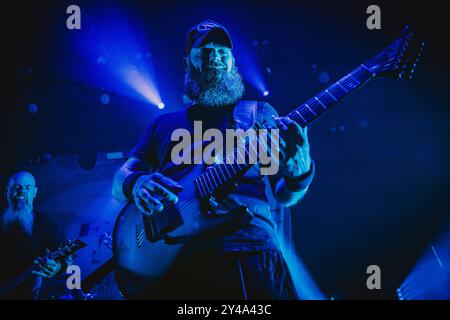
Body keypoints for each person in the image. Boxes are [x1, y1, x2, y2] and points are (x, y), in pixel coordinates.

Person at [112, 20, 315, 299]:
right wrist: (135, 183)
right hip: (179, 261)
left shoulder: (259, 115)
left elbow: (284, 196)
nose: (215, 56)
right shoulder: (162, 125)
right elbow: (119, 180)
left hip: (251, 252)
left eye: (222, 50)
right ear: (188, 62)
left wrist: (299, 175)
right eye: (204, 50)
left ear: (232, 61)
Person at [0, 171, 68, 299]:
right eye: (17, 187)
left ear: (34, 192)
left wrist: (58, 267)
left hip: (32, 294)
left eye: (28, 187)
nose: (22, 192)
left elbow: (67, 258)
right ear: (7, 191)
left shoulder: (47, 222)